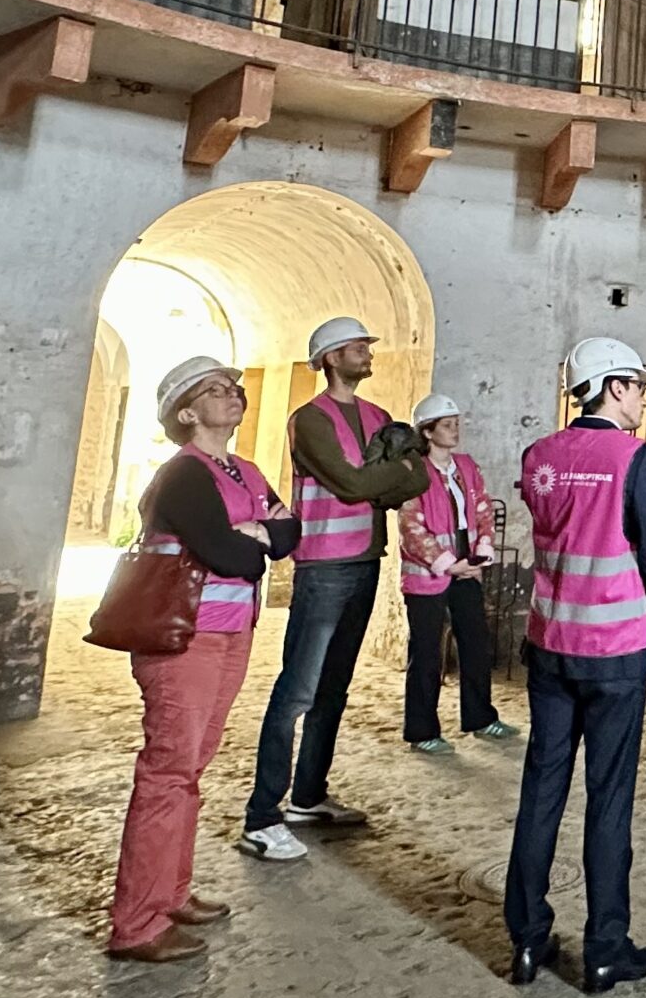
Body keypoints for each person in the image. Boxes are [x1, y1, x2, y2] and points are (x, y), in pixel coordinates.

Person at [106, 357, 300, 963]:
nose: (232, 396)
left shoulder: (244, 470)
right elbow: (229, 555)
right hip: (182, 639)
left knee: (191, 768)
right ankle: (137, 924)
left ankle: (172, 893)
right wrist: (257, 541)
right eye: (214, 391)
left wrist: (261, 541)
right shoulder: (184, 476)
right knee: (167, 772)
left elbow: (290, 535)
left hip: (230, 633)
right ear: (185, 413)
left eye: (233, 388)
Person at [504, 337, 646, 993]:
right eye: (635, 385)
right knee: (608, 800)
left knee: (541, 793)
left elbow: (555, 532)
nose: (641, 397)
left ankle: (526, 940)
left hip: (550, 648)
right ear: (611, 387)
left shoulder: (539, 456)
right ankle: (605, 949)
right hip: (614, 655)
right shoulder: (635, 459)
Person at [238, 316, 429, 862]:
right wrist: (380, 480)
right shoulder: (311, 420)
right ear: (329, 357)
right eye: (356, 347)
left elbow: (417, 479)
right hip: (323, 566)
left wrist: (378, 482)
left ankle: (309, 796)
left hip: (367, 560)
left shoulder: (378, 416)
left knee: (334, 690)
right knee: (297, 691)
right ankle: (261, 816)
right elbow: (351, 483)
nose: (367, 352)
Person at [398, 391, 514, 750]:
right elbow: (411, 526)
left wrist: (479, 554)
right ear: (428, 432)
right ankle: (423, 732)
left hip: (467, 566)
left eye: (456, 424)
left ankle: (481, 717)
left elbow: (481, 509)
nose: (455, 430)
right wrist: (448, 564)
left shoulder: (465, 466)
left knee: (476, 644)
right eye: (447, 425)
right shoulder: (412, 471)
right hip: (428, 574)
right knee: (427, 653)